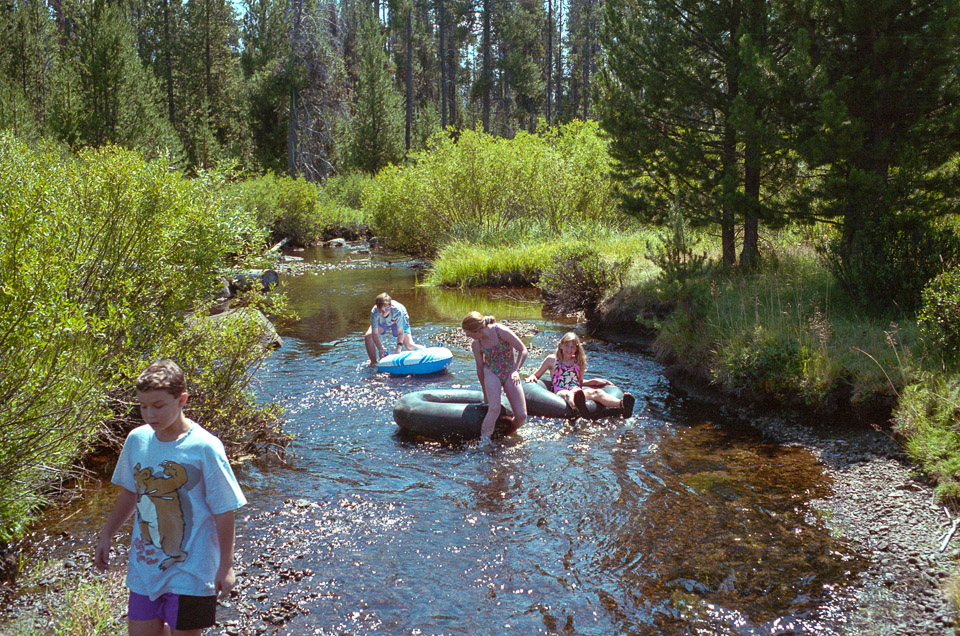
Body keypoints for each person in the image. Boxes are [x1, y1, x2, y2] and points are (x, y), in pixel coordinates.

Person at [94, 359, 247, 636]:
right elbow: (131, 492)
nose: (149, 414)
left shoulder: (205, 447)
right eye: (143, 406)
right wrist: (107, 534)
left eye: (159, 406)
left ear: (182, 400)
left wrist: (226, 567)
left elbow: (224, 511)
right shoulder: (137, 440)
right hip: (145, 569)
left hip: (194, 572)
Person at [526, 331, 636, 418]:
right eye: (567, 346)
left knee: (596, 392)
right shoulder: (552, 360)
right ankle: (576, 408)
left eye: (573, 347)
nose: (569, 349)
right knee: (568, 394)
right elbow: (537, 375)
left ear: (577, 348)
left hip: (578, 391)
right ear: (560, 345)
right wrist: (532, 377)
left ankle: (622, 405)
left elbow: (580, 382)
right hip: (560, 391)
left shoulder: (578, 362)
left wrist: (595, 382)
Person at [461, 312, 528, 444]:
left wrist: (515, 370)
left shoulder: (500, 331)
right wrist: (485, 392)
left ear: (477, 330)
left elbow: (523, 350)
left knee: (521, 416)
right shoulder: (477, 344)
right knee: (494, 408)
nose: (467, 336)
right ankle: (485, 443)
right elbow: (480, 369)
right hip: (491, 372)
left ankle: (508, 433)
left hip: (509, 371)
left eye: (468, 333)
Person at [365, 292, 422, 364]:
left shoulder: (397, 311)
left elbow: (400, 333)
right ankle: (374, 363)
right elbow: (375, 333)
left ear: (390, 306)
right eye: (380, 311)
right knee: (368, 336)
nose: (383, 313)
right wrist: (380, 348)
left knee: (409, 345)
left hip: (397, 320)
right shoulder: (375, 312)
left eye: (385, 310)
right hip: (384, 321)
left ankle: (425, 351)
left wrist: (398, 350)